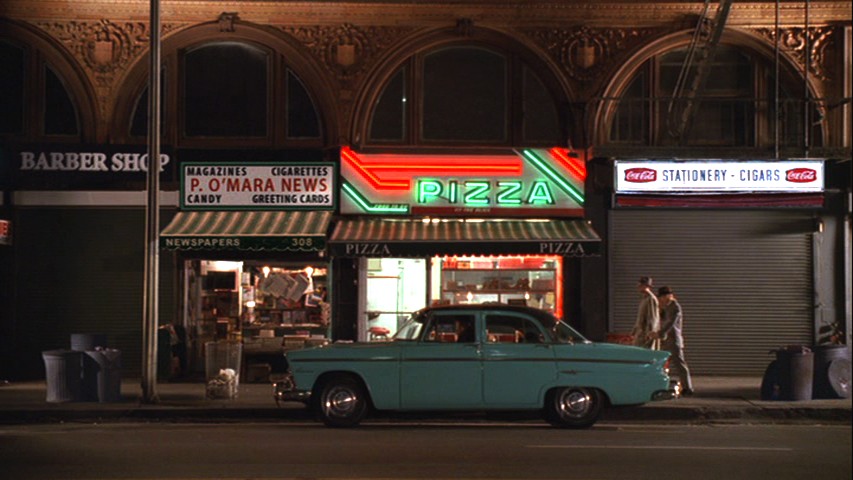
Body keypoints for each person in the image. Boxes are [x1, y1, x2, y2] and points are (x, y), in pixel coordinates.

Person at [657, 286, 694, 395]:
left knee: (679, 364)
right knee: (661, 362)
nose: (661, 299)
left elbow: (670, 323)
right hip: (666, 339)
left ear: (668, 296)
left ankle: (688, 388)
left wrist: (660, 333)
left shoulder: (675, 307)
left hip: (674, 340)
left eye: (663, 297)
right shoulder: (666, 307)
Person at [631, 276, 660, 349]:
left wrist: (650, 332)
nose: (639, 286)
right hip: (640, 333)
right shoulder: (644, 299)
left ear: (646, 286)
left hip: (645, 334)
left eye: (641, 285)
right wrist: (634, 330)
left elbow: (652, 317)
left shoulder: (651, 299)